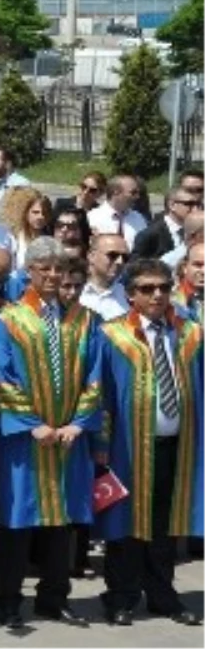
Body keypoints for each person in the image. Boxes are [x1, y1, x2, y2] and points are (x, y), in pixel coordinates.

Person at [0, 237, 101, 629]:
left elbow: (95, 377)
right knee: (18, 520)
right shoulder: (9, 319)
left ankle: (54, 598)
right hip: (25, 438)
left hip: (69, 437)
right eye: (45, 268)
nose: (53, 276)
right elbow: (1, 377)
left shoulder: (86, 320)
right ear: (29, 272)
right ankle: (8, 599)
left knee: (62, 520)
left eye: (59, 268)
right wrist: (33, 424)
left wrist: (77, 423)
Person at [93, 258, 205, 627]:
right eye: (146, 289)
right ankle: (121, 596)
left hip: (177, 443)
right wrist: (102, 443)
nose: (157, 295)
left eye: (163, 287)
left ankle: (163, 594)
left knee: (165, 523)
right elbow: (101, 393)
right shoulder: (112, 335)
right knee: (124, 523)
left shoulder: (190, 332)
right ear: (130, 295)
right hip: (127, 445)